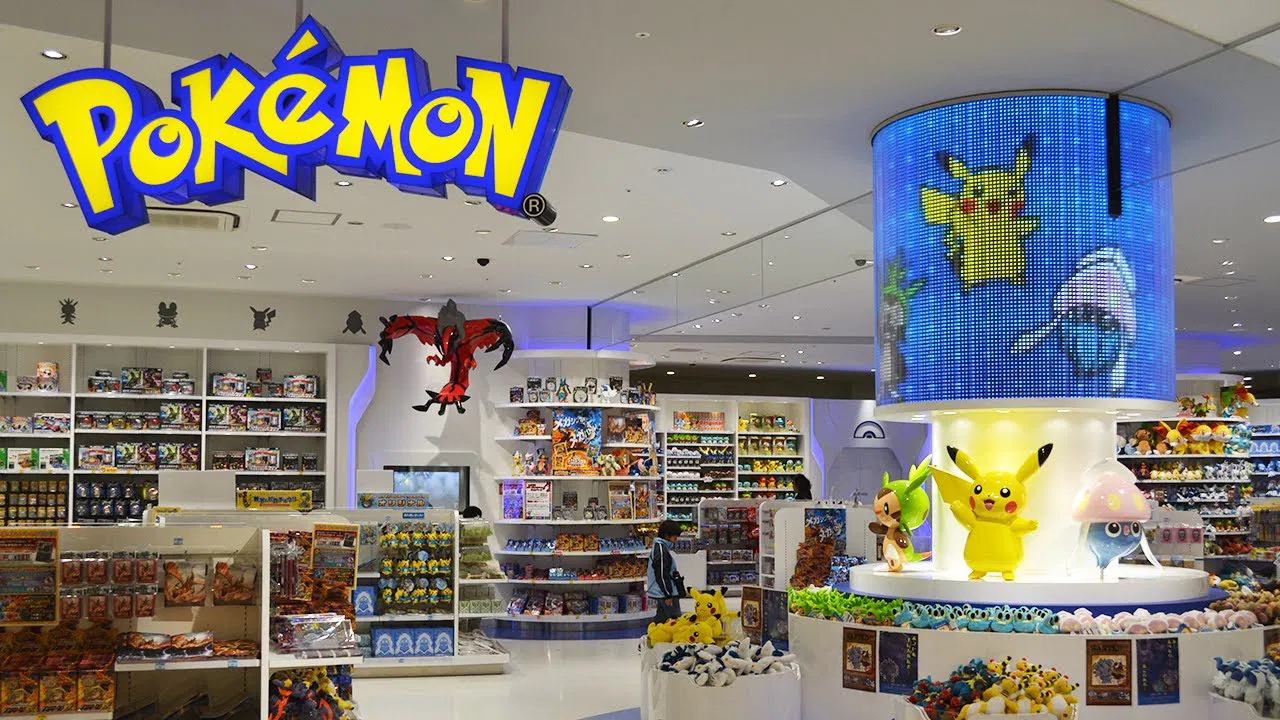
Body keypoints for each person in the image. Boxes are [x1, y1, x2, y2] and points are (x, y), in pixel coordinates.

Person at [647, 520, 685, 623]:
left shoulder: (662, 547)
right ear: (667, 535)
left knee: (661, 620)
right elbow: (661, 574)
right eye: (675, 536)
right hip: (664, 593)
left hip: (663, 592)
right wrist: (668, 594)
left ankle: (654, 632)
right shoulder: (660, 549)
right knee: (675, 622)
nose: (676, 539)